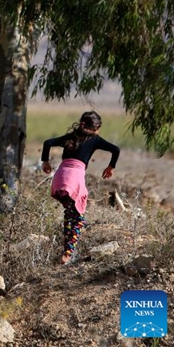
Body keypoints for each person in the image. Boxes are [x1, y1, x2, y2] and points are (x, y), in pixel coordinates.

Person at [41, 111, 120, 265]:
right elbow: (116, 150)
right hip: (74, 178)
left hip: (60, 177)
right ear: (96, 127)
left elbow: (47, 143)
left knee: (70, 213)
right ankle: (68, 254)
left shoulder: (70, 137)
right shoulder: (95, 139)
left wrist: (45, 162)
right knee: (78, 218)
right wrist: (111, 167)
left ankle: (66, 251)